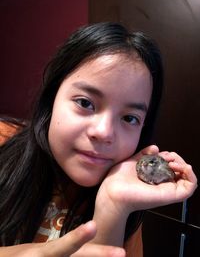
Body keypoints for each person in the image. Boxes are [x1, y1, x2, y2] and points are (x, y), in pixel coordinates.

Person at [0, 22, 197, 257]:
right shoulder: (3, 141)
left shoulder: (128, 195)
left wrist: (113, 206)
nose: (104, 132)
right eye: (85, 103)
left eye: (129, 118)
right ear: (52, 97)